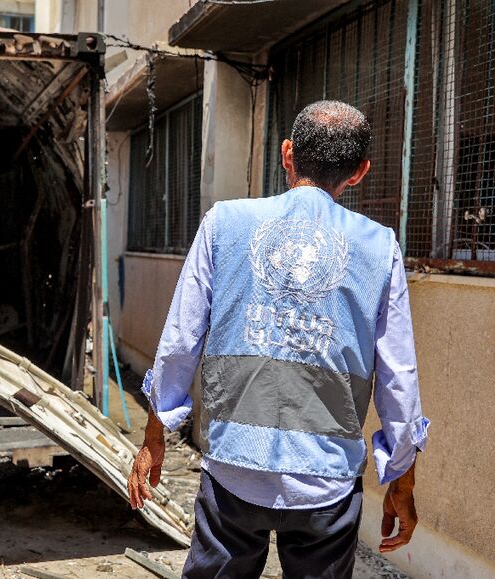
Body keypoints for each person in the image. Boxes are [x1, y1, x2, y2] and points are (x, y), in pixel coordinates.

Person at [127, 100, 429, 578]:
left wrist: (153, 436)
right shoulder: (379, 247)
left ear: (287, 154)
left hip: (233, 471)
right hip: (326, 483)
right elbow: (399, 377)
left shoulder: (224, 224)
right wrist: (401, 479)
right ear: (360, 172)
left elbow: (180, 340)